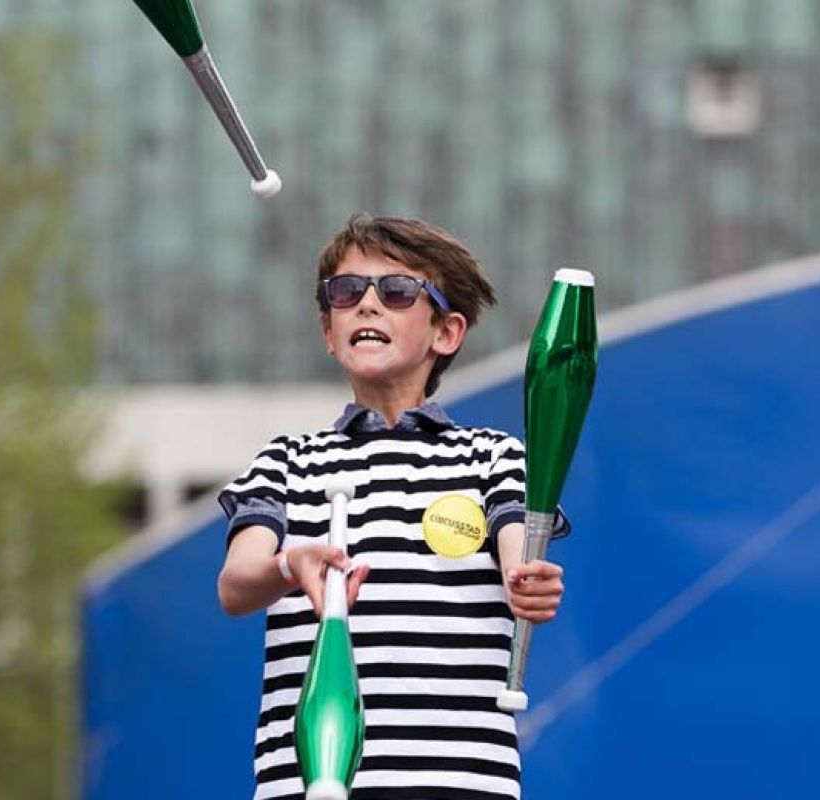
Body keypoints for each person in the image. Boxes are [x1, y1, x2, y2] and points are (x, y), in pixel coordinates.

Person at [216, 213, 568, 800]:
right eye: (347, 292)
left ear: (446, 333)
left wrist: (525, 578)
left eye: (398, 291)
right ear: (328, 332)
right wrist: (288, 565)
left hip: (458, 783)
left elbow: (518, 545)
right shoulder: (286, 462)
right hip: (311, 783)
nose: (368, 305)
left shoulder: (492, 458)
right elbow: (234, 585)